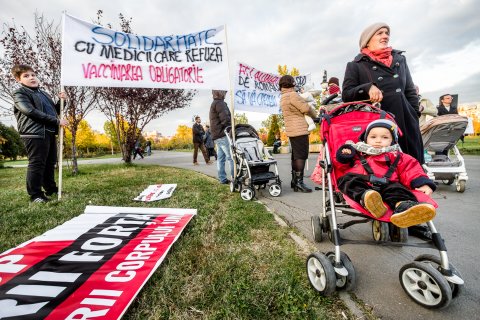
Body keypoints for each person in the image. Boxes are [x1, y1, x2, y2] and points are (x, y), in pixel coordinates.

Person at [342, 22, 425, 164]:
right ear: (367, 40)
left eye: (387, 33)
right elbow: (347, 94)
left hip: (406, 119)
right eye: (380, 33)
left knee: (412, 164)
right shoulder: (356, 65)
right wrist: (368, 88)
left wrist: (414, 113)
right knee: (388, 167)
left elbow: (409, 90)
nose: (385, 36)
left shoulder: (400, 59)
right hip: (379, 122)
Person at [336, 119, 436, 228]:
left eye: (385, 137)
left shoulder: (397, 156)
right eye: (373, 137)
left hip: (388, 184)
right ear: (365, 138)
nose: (378, 141)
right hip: (362, 183)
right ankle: (368, 199)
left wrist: (423, 184)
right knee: (346, 180)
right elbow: (340, 167)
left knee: (398, 190)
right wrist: (345, 155)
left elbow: (411, 169)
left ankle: (403, 208)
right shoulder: (357, 153)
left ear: (393, 140)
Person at [11, 64, 68, 203]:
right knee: (37, 163)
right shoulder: (20, 93)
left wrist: (62, 101)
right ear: (19, 79)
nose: (31, 77)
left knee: (50, 163)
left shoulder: (43, 94)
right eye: (26, 76)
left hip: (48, 132)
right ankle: (35, 195)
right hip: (33, 133)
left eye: (33, 74)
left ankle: (51, 188)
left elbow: (55, 111)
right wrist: (56, 121)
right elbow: (30, 111)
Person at [279, 75, 318, 193]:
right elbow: (305, 108)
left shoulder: (283, 96)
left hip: (291, 130)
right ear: (292, 83)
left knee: (295, 156)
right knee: (301, 156)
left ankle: (294, 181)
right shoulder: (293, 95)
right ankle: (299, 183)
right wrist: (315, 114)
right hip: (300, 130)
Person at [209, 90, 234, 184]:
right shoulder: (220, 103)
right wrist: (230, 129)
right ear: (219, 93)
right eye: (224, 92)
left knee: (221, 158)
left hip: (217, 135)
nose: (225, 94)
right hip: (223, 135)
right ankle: (235, 178)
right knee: (231, 157)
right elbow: (226, 119)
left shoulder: (214, 103)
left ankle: (222, 179)